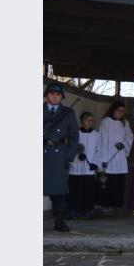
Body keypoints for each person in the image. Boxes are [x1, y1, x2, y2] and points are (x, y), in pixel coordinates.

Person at [44, 82, 79, 232]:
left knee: (59, 192)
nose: (55, 96)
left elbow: (74, 136)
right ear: (47, 95)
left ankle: (60, 221)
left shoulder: (68, 113)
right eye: (52, 93)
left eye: (58, 94)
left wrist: (69, 156)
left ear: (62, 97)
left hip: (59, 155)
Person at [97, 100, 134, 211]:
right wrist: (103, 159)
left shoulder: (125, 123)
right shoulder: (106, 122)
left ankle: (116, 206)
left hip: (119, 156)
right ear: (113, 110)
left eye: (123, 111)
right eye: (119, 110)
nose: (121, 113)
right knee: (107, 182)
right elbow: (102, 140)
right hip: (108, 156)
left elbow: (129, 137)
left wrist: (124, 145)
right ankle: (104, 207)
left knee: (118, 183)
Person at [68, 111, 101, 220]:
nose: (89, 122)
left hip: (88, 167)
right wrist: (76, 157)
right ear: (82, 121)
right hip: (76, 168)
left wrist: (95, 163)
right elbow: (70, 148)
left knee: (88, 191)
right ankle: (73, 210)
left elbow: (99, 150)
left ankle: (86, 210)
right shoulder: (76, 133)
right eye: (87, 120)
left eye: (91, 120)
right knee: (75, 190)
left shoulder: (96, 135)